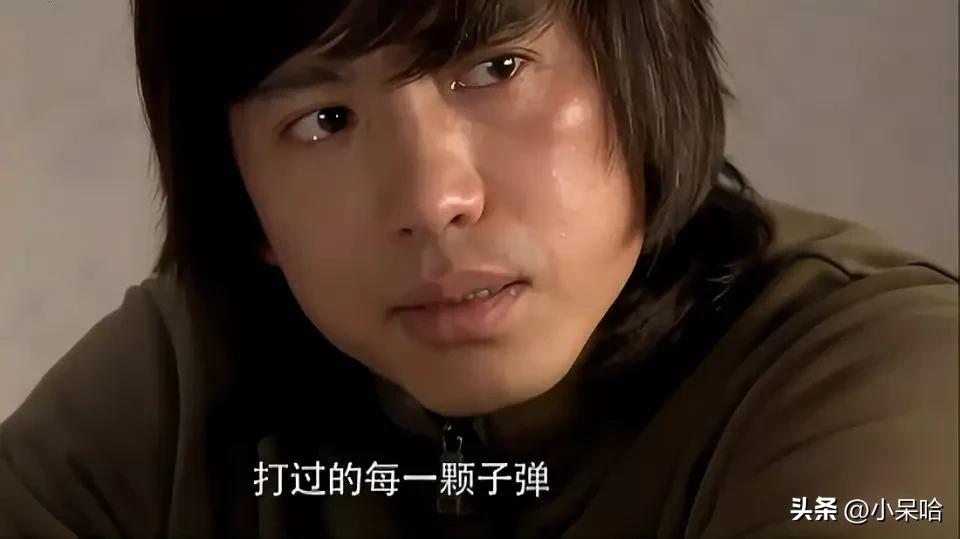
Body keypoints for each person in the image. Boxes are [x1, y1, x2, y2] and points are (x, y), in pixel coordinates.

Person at [1, 1, 956, 537]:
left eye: (497, 68)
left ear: (642, 71)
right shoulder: (184, 382)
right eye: (324, 121)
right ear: (244, 199)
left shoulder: (870, 374)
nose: (433, 198)